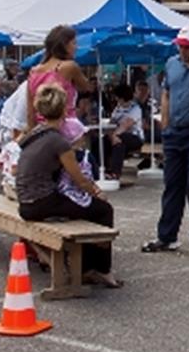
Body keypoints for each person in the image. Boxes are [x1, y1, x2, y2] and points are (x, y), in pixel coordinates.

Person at [16, 84, 120, 288]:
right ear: (64, 110)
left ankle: (85, 267)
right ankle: (101, 269)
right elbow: (80, 179)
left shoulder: (33, 134)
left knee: (82, 209)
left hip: (25, 201)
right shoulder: (59, 142)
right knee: (103, 210)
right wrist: (97, 192)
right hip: (42, 202)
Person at [142, 25, 189, 257]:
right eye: (181, 47)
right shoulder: (172, 63)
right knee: (172, 184)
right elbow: (167, 92)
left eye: (188, 47)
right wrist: (165, 123)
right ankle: (167, 235)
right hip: (175, 131)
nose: (183, 51)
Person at [27, 25, 92, 144]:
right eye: (74, 43)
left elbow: (30, 111)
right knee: (82, 152)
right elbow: (86, 87)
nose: (76, 47)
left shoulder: (33, 71)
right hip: (66, 126)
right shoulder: (69, 67)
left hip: (41, 128)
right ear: (64, 45)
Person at [103, 83, 143, 180]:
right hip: (118, 135)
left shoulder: (135, 108)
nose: (115, 99)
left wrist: (115, 135)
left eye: (116, 97)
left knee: (119, 142)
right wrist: (111, 135)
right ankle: (104, 169)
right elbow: (111, 123)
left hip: (134, 137)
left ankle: (115, 173)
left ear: (121, 97)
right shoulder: (117, 109)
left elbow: (127, 124)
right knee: (102, 142)